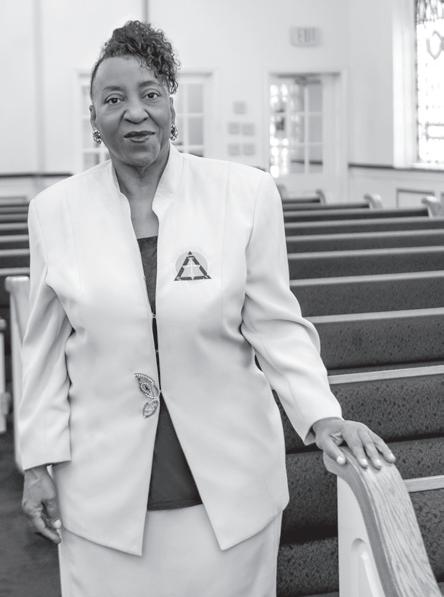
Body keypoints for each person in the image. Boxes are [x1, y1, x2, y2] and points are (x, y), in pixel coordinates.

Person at [19, 20, 395, 597]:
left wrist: (324, 416)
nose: (135, 112)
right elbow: (44, 352)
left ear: (172, 104)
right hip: (100, 490)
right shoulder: (54, 212)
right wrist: (37, 462)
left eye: (150, 93)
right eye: (113, 99)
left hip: (230, 483)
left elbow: (276, 325)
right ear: (93, 117)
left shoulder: (243, 195)